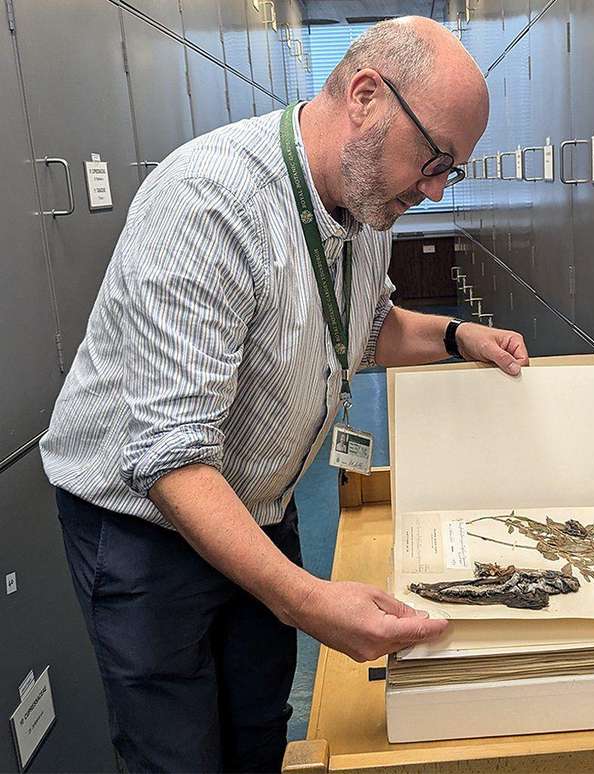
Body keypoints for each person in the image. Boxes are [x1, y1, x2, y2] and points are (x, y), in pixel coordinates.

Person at [40, 15, 528, 773]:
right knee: (177, 749)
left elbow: (360, 329)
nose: (432, 191)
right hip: (146, 521)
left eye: (449, 172)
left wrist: (457, 338)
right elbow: (169, 460)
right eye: (434, 159)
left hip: (259, 500)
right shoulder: (210, 203)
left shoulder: (369, 203)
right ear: (365, 95)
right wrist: (305, 598)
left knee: (259, 724)